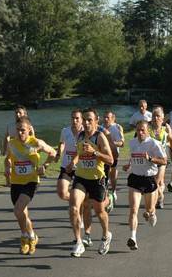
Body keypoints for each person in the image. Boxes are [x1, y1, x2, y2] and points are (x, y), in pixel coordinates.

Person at [66, 108, 114, 257]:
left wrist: (95, 152)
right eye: (84, 120)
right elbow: (78, 153)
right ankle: (79, 242)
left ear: (96, 121)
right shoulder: (80, 135)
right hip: (81, 177)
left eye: (89, 120)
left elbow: (110, 160)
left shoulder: (99, 137)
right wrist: (72, 163)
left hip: (96, 179)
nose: (86, 123)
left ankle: (106, 235)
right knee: (74, 207)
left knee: (99, 211)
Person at [5, 117, 56, 255]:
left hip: (31, 182)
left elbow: (53, 152)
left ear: (29, 130)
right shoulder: (12, 143)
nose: (20, 133)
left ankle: (24, 237)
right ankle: (32, 236)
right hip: (16, 182)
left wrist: (45, 165)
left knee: (17, 210)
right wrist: (7, 168)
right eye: (18, 130)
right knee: (22, 213)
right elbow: (8, 158)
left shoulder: (36, 143)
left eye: (23, 130)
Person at [123, 120, 167, 250]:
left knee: (149, 210)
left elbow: (164, 161)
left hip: (149, 180)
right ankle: (133, 238)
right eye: (138, 130)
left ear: (148, 131)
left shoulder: (154, 143)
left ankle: (152, 214)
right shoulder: (132, 143)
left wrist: (150, 159)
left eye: (143, 130)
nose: (140, 132)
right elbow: (133, 157)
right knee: (133, 210)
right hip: (135, 179)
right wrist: (129, 165)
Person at [149, 106, 172, 209]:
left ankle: (158, 199)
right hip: (150, 160)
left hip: (162, 160)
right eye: (153, 116)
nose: (155, 118)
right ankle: (160, 197)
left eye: (158, 116)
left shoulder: (166, 129)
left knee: (155, 181)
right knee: (160, 182)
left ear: (162, 117)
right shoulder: (148, 129)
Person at [3, 106, 35, 187]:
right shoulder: (10, 125)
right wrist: (5, 148)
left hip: (25, 149)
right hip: (13, 149)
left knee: (24, 164)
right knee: (7, 161)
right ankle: (8, 181)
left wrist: (33, 149)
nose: (17, 114)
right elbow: (6, 137)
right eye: (16, 112)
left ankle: (30, 179)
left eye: (20, 112)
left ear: (25, 114)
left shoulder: (29, 126)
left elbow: (33, 138)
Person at [102, 110, 124, 204]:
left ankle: (113, 191)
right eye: (105, 117)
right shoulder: (101, 128)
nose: (106, 119)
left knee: (112, 175)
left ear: (113, 118)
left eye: (108, 118)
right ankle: (104, 197)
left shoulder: (116, 128)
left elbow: (122, 143)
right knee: (104, 176)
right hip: (103, 156)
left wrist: (111, 144)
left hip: (113, 155)